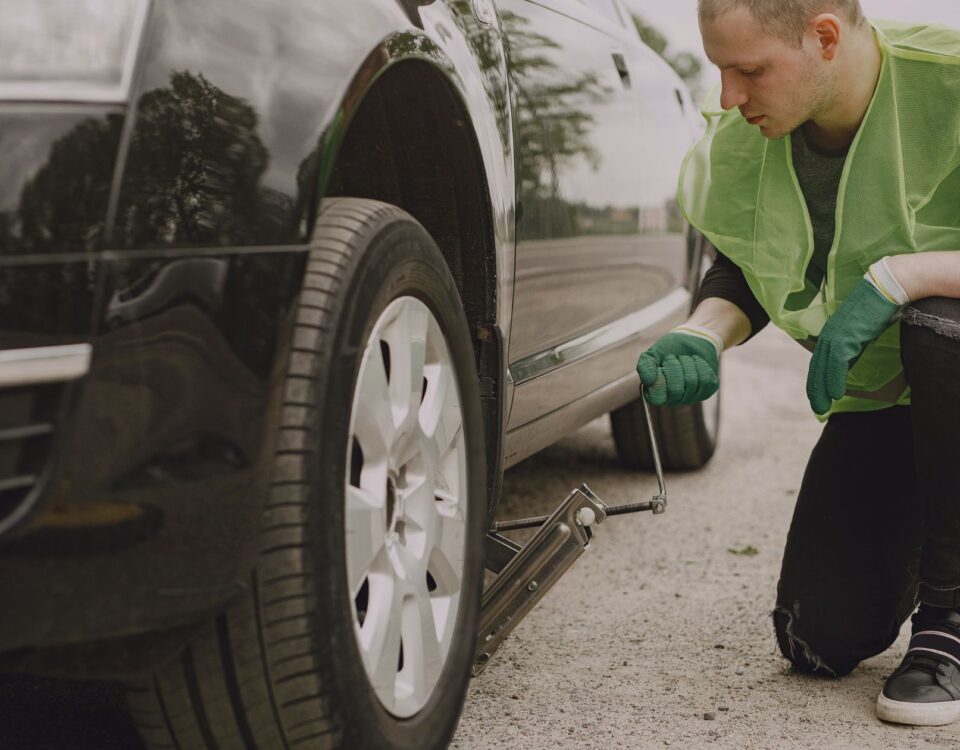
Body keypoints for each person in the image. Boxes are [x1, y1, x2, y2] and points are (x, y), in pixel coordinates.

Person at [637, 0, 960, 727]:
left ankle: (950, 620)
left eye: (749, 70)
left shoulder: (950, 81)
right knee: (819, 636)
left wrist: (905, 276)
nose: (728, 98)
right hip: (893, 408)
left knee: (941, 322)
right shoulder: (750, 138)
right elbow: (746, 264)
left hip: (949, 358)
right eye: (721, 70)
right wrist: (702, 334)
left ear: (823, 37)